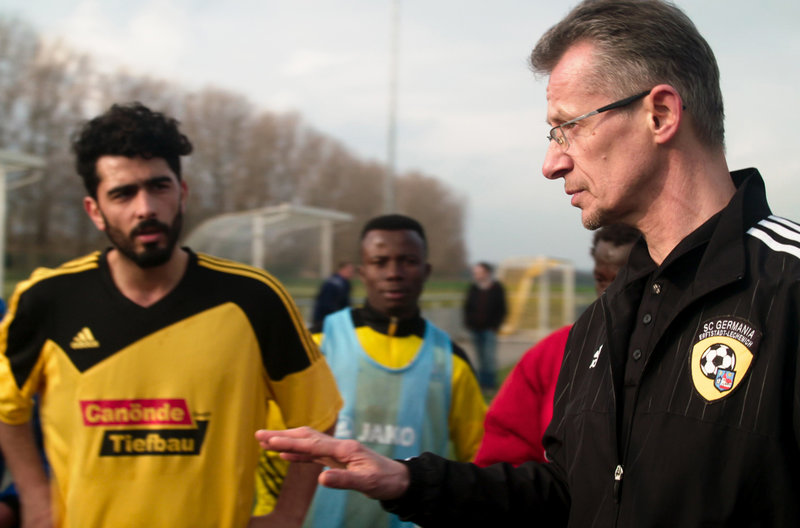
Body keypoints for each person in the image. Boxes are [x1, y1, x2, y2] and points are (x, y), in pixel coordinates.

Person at [256, 0, 800, 525]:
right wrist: (408, 482)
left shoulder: (788, 289)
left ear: (659, 113)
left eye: (569, 126)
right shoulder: (601, 321)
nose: (551, 162)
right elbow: (568, 497)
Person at [0, 102, 342, 527]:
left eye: (159, 187)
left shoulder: (254, 299)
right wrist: (36, 499)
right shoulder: (46, 300)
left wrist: (288, 514)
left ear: (182, 193)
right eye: (123, 194)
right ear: (95, 211)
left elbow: (317, 416)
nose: (145, 207)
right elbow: (6, 409)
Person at [301, 214, 486, 528]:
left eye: (408, 261)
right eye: (379, 261)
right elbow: (276, 448)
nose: (394, 274)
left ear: (426, 271)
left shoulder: (449, 360)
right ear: (362, 272)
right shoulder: (318, 344)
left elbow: (482, 458)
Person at [474, 224, 639, 466]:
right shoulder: (553, 352)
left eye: (626, 279)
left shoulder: (682, 352)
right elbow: (504, 453)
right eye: (601, 279)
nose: (610, 292)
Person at [462, 262, 507, 390]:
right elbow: (467, 307)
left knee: (489, 357)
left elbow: (502, 309)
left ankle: (490, 384)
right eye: (475, 273)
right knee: (480, 357)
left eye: (479, 272)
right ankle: (482, 383)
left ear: (487, 273)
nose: (476, 275)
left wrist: (495, 326)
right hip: (475, 329)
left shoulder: (497, 288)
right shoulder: (473, 288)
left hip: (490, 330)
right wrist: (469, 323)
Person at [311, 261, 354, 326]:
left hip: (335, 318)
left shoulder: (344, 283)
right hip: (326, 319)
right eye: (349, 271)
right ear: (342, 269)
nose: (351, 274)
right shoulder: (334, 283)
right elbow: (326, 303)